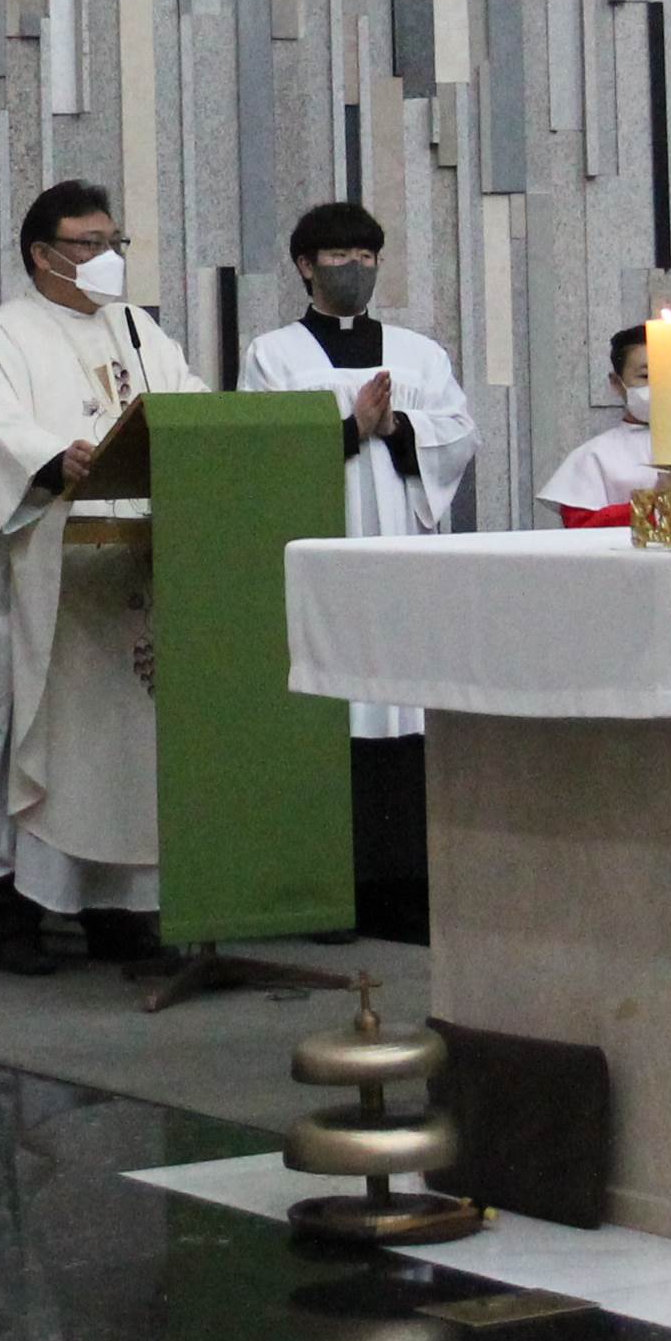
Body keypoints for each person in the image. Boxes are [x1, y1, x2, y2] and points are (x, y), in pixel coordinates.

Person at [0, 180, 202, 974]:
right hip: (42, 572)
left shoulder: (139, 332)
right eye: (89, 244)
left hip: (129, 572)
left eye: (115, 242)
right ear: (43, 255)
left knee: (124, 749)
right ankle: (14, 910)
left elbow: (187, 410)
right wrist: (54, 459)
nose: (108, 257)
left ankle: (119, 911)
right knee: (28, 738)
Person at [233, 201, 475, 938]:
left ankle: (403, 890)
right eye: (340, 257)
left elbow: (457, 436)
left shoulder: (419, 355)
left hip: (401, 560)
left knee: (403, 709)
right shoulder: (274, 355)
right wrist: (348, 429)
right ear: (306, 266)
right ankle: (328, 888)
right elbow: (258, 453)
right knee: (329, 709)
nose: (356, 269)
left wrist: (396, 427)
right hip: (321, 554)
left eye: (367, 258)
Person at [538, 326, 662, 528]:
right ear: (616, 382)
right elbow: (581, 526)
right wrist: (657, 507)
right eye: (646, 376)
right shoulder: (593, 457)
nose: (660, 386)